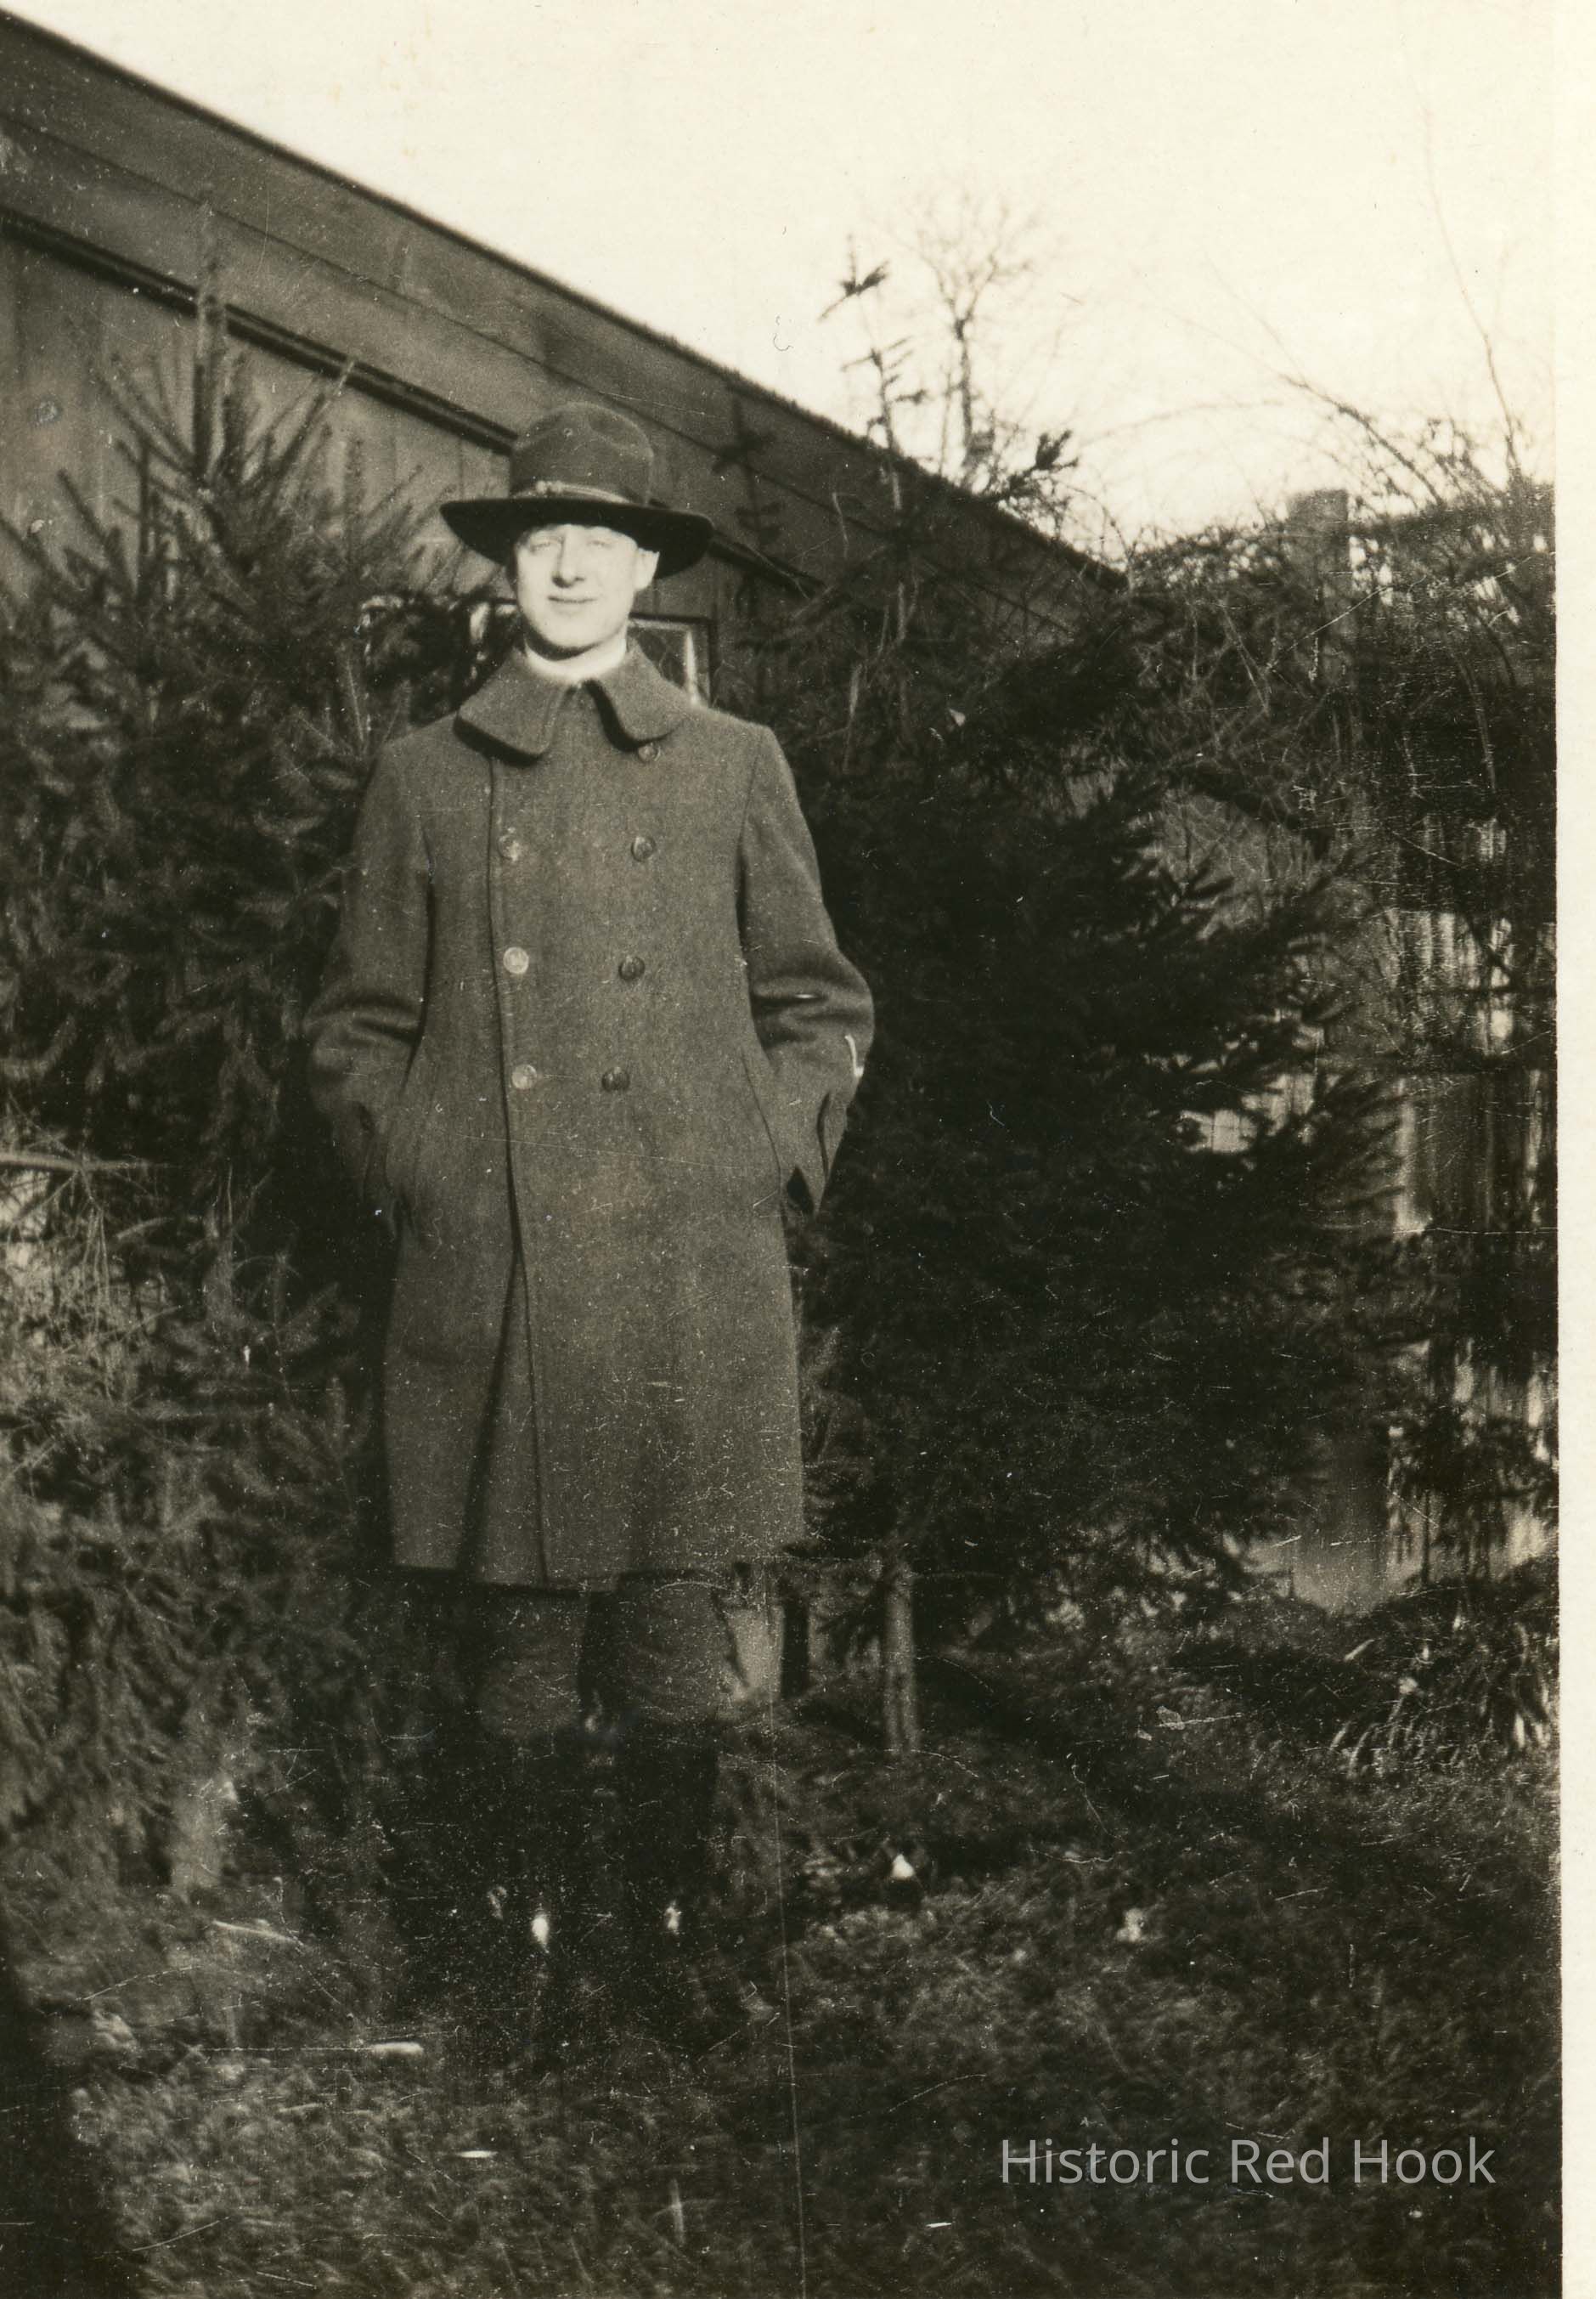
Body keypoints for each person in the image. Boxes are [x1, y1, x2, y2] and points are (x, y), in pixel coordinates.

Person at [304, 402, 872, 2066]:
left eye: (598, 540)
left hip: (686, 1264)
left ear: (641, 569)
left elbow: (820, 1006)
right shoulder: (426, 775)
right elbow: (354, 1030)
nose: (566, 564)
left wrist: (761, 1159)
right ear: (508, 566)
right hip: (498, 1270)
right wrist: (431, 1171)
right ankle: (515, 1977)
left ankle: (664, 1962)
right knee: (523, 1641)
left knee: (674, 1629)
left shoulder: (732, 766)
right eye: (539, 538)